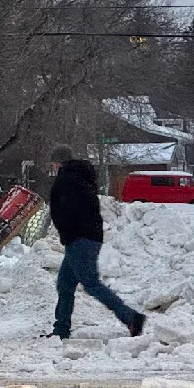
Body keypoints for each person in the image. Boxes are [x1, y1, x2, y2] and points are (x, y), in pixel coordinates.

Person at [46, 144, 146, 339]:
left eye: (53, 163)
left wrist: (68, 231)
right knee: (65, 284)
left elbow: (64, 210)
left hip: (79, 238)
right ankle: (61, 329)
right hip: (85, 237)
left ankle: (131, 318)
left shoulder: (66, 180)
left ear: (58, 163)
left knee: (91, 284)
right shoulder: (80, 176)